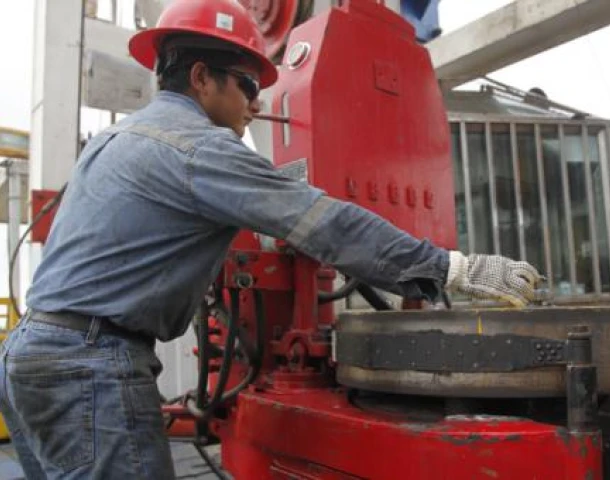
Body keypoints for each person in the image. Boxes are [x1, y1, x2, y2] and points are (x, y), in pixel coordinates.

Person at [0, 0, 544, 478]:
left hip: (29, 359)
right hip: (91, 367)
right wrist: (451, 268)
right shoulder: (201, 150)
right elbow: (322, 222)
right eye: (249, 85)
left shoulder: (116, 140)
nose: (257, 104)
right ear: (200, 78)